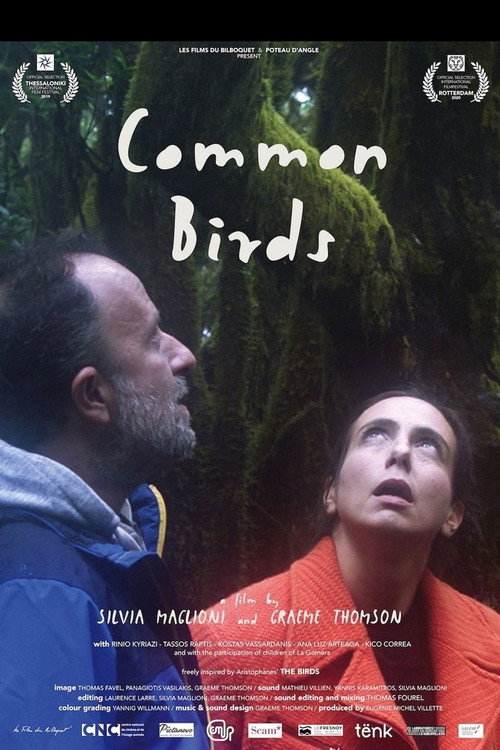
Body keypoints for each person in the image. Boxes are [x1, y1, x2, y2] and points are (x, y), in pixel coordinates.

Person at [192, 390, 500, 749]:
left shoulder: (493, 642)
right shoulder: (228, 641)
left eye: (428, 445)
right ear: (332, 493)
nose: (400, 451)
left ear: (453, 516)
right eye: (375, 434)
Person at [0, 236, 211, 749]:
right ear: (94, 394)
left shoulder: (98, 550)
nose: (184, 355)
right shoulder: (39, 591)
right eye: (153, 339)